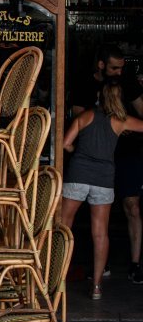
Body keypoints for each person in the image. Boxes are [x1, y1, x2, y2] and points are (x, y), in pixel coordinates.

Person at [62, 81, 143, 300]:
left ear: (99, 96)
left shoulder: (85, 116)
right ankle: (96, 286)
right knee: (100, 233)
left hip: (78, 175)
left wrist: (77, 149)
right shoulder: (121, 121)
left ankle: (54, 278)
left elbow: (65, 144)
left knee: (63, 226)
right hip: (103, 180)